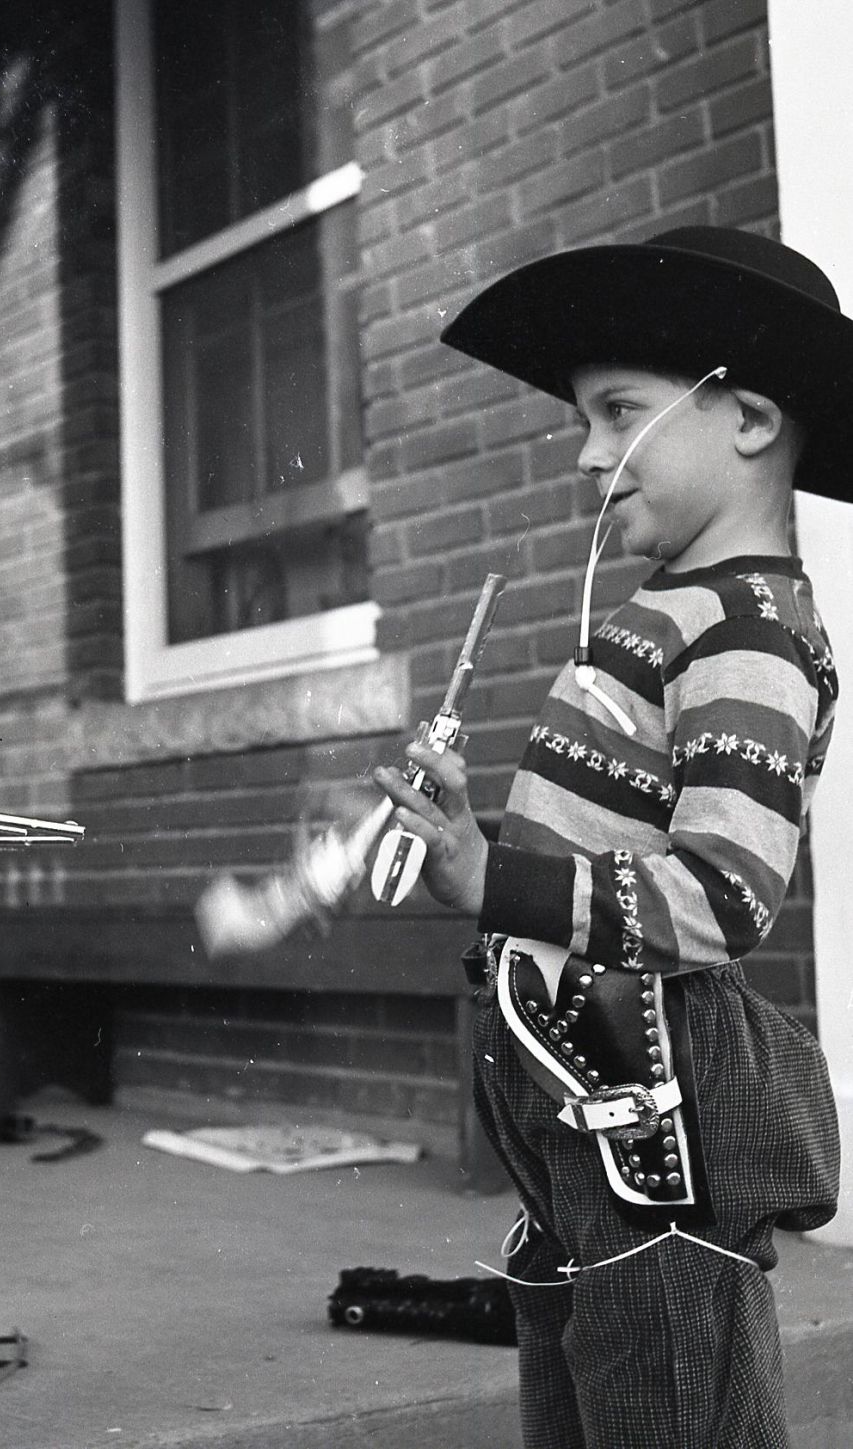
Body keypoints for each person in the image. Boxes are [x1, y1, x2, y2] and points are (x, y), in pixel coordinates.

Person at [374, 227, 847, 1447]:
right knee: (587, 1390)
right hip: (573, 1075)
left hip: (655, 1094)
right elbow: (597, 840)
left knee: (666, 1394)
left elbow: (721, 897)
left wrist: (497, 878)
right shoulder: (670, 612)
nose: (588, 455)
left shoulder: (749, 632)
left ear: (744, 418)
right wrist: (473, 847)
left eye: (615, 411)